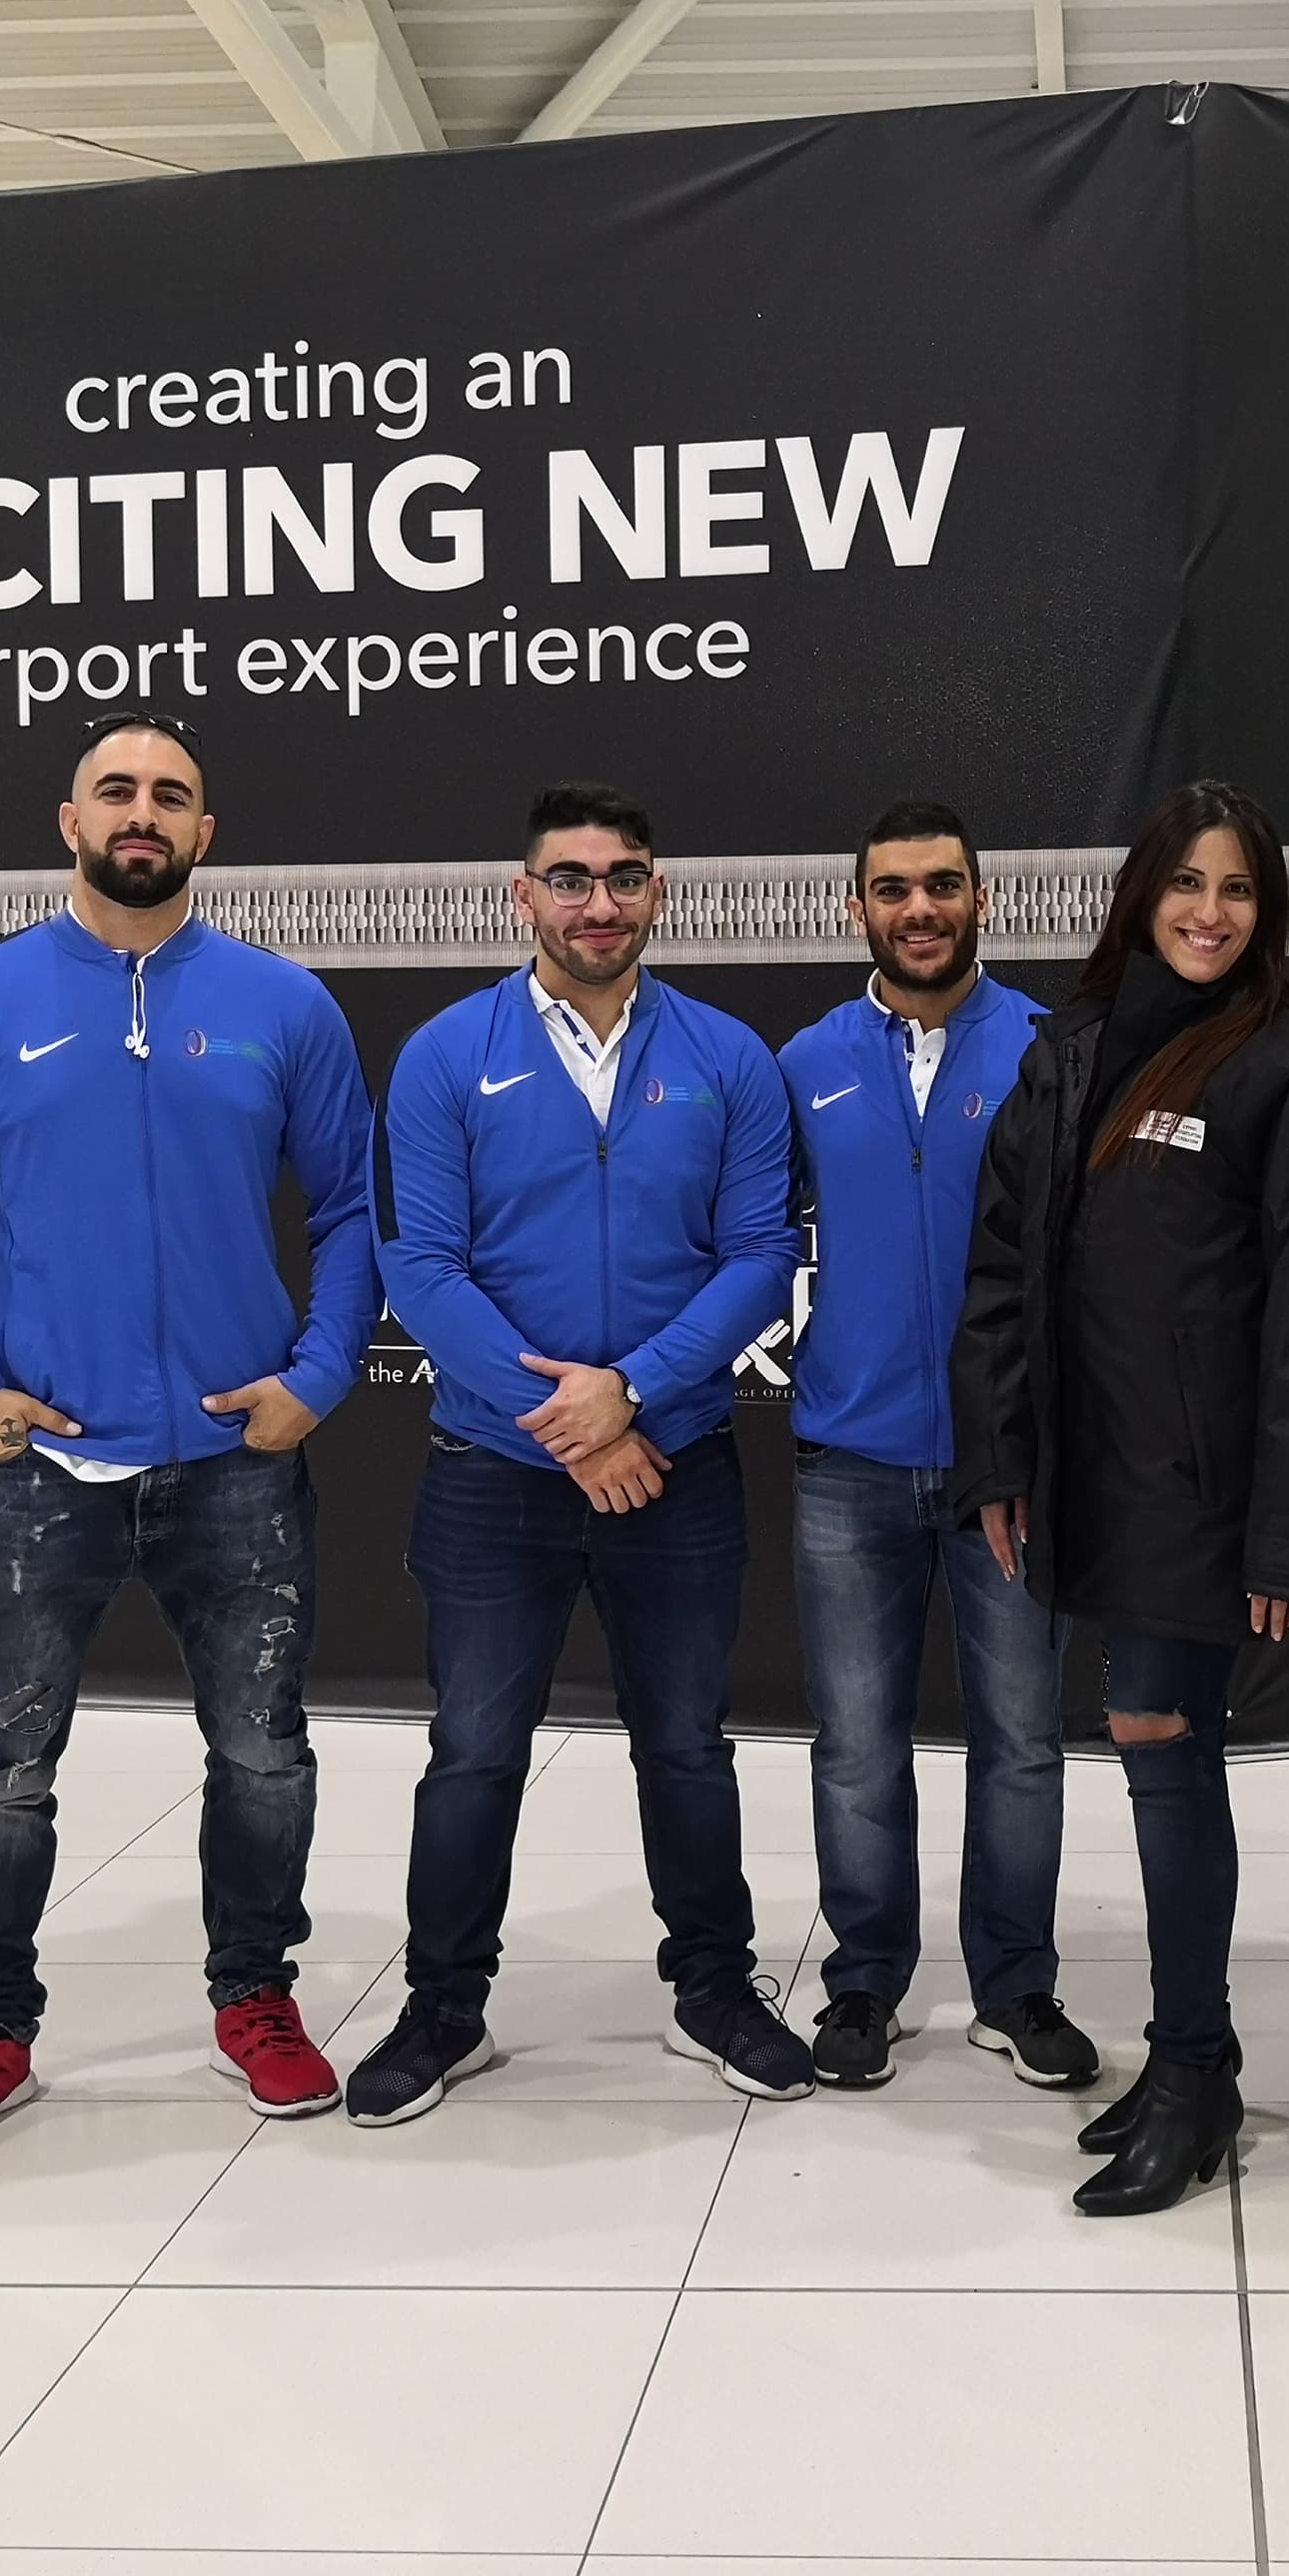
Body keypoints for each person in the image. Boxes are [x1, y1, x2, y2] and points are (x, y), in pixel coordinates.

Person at [0, 709, 378, 2160]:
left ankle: (255, 1999)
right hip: (42, 1462)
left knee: (263, 1753)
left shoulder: (285, 1005)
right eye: (116, 789)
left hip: (237, 1460)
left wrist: (321, 1372)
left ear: (205, 833)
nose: (141, 811)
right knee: (2, 1768)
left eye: (171, 794)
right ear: (71, 819)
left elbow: (352, 1211)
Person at [949, 779, 1289, 2216]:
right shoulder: (1067, 1049)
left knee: (1161, 1743)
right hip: (1087, 1473)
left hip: (1204, 1494)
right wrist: (999, 1457)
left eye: (1238, 889)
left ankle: (1193, 2069)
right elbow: (1001, 1269)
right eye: (1186, 883)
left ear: (1270, 910)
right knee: (1151, 1747)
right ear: (1141, 894)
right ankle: (1194, 2055)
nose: (1209, 913)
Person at [348, 781, 810, 2121]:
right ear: (524, 895)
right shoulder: (447, 1054)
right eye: (569, 877)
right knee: (473, 1752)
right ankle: (443, 2008)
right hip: (493, 1474)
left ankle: (713, 1988)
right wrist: (569, 1428)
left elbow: (758, 1256)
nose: (596, 903)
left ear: (655, 891)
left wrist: (636, 1396)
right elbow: (421, 1267)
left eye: (623, 876)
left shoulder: (728, 1057)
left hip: (675, 1463)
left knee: (688, 1746)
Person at [778, 799, 1097, 2095]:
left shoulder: (1050, 1049)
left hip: (1005, 1464)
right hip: (846, 1458)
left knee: (1021, 1739)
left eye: (943, 886)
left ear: (981, 898)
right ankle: (864, 1982)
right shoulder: (803, 1061)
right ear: (858, 908)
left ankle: (1014, 1985)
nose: (920, 910)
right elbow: (747, 1241)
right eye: (894, 889)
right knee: (856, 1743)